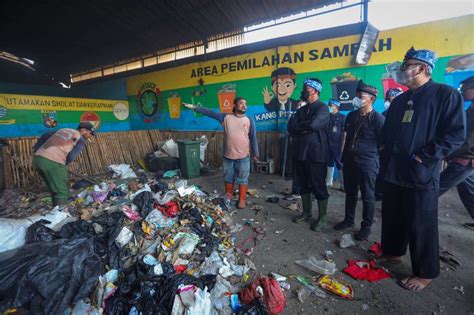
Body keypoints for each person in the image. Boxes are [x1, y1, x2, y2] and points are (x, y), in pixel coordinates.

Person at [379, 47, 465, 291]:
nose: (403, 70)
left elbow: (455, 135)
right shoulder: (400, 100)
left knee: (421, 222)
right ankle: (393, 252)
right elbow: (387, 131)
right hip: (395, 171)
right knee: (393, 217)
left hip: (421, 172)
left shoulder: (445, 95)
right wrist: (384, 148)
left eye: (407, 66)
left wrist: (424, 156)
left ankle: (425, 272)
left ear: (422, 68)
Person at [182, 98, 259, 209]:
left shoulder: (249, 120)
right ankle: (229, 195)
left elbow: (253, 138)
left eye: (245, 104)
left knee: (243, 178)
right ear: (234, 105)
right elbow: (210, 112)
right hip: (228, 156)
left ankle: (241, 200)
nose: (244, 105)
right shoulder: (225, 118)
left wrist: (256, 153)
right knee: (228, 177)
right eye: (241, 103)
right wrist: (194, 107)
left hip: (243, 156)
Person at [333, 81, 385, 241]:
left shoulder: (378, 119)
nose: (357, 99)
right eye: (357, 95)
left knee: (368, 196)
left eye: (361, 96)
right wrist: (342, 158)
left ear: (371, 99)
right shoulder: (352, 116)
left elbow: (384, 144)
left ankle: (366, 227)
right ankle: (349, 220)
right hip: (350, 161)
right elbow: (346, 137)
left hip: (368, 164)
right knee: (350, 193)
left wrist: (374, 160)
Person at [288, 78, 330, 231]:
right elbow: (291, 128)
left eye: (307, 88)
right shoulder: (301, 110)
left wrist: (301, 126)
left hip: (316, 155)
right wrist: (303, 127)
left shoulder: (323, 108)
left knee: (318, 186)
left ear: (315, 90)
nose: (304, 90)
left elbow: (314, 125)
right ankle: (306, 212)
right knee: (303, 185)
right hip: (300, 153)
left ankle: (322, 217)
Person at [439, 76, 474, 229]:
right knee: (468, 190)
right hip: (465, 158)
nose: (463, 92)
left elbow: (467, 140)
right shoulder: (471, 109)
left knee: (436, 187)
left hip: (465, 159)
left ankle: (414, 212)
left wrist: (448, 152)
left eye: (465, 89)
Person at [33, 122, 95, 206]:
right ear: (84, 130)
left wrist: (37, 150)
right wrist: (62, 165)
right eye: (90, 133)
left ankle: (55, 211)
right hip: (53, 161)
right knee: (62, 191)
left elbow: (45, 135)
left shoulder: (63, 130)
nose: (90, 136)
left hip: (38, 159)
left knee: (54, 188)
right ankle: (60, 215)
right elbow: (71, 157)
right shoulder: (80, 139)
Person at [326, 99, 346, 190]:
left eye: (331, 105)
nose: (329, 107)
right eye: (329, 105)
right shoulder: (327, 117)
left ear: (336, 106)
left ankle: (343, 185)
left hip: (338, 145)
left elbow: (344, 133)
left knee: (340, 164)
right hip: (327, 144)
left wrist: (343, 145)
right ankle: (328, 182)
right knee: (329, 163)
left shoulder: (342, 117)